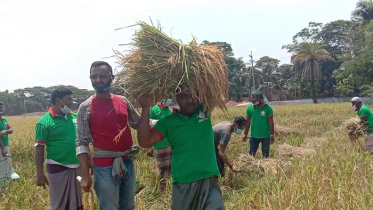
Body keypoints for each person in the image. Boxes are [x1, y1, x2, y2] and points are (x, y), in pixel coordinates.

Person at [137, 83, 225, 210]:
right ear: (176, 98)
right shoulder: (167, 122)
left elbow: (213, 88)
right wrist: (145, 108)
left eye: (193, 96)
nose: (189, 100)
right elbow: (145, 142)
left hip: (210, 180)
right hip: (184, 182)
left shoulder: (204, 112)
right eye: (184, 96)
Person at [76, 61, 140, 210]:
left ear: (112, 77)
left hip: (127, 162)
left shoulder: (123, 101)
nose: (98, 80)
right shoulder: (85, 107)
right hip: (104, 166)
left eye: (103, 76)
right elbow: (81, 142)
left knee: (128, 206)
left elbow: (138, 122)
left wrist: (165, 122)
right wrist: (85, 175)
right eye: (94, 76)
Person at [34, 87, 83, 210]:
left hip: (77, 168)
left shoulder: (75, 117)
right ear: (58, 101)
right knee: (60, 204)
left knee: (76, 204)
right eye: (69, 99)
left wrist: (88, 161)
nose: (72, 101)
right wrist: (40, 173)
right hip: (58, 168)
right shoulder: (44, 122)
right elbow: (39, 149)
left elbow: (83, 141)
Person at [147, 99, 173, 191]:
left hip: (170, 144)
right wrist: (149, 146)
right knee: (162, 168)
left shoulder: (170, 111)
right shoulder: (155, 110)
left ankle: (166, 190)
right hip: (159, 145)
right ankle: (159, 190)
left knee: (170, 169)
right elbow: (148, 125)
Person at [242, 90, 275, 158]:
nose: (252, 99)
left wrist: (272, 135)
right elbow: (247, 123)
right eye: (251, 97)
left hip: (266, 136)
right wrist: (245, 134)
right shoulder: (249, 108)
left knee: (265, 156)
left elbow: (271, 122)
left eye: (253, 98)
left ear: (259, 99)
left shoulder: (268, 108)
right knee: (251, 155)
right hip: (254, 136)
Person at [0, 101, 19, 189]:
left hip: (6, 145)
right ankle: (3, 185)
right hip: (1, 146)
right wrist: (3, 148)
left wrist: (5, 131)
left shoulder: (4, 119)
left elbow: (11, 130)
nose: (1, 108)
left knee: (7, 163)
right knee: (2, 165)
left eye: (1, 107)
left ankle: (6, 182)